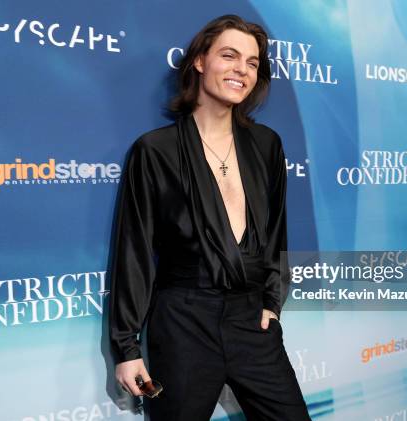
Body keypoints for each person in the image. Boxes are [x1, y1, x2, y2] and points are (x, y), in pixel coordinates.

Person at [109, 14, 311, 421]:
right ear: (200, 61)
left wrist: (271, 304)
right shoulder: (155, 150)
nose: (242, 69)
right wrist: (126, 349)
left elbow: (275, 233)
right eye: (229, 55)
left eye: (252, 62)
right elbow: (134, 250)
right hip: (182, 322)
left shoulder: (267, 144)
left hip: (252, 321)